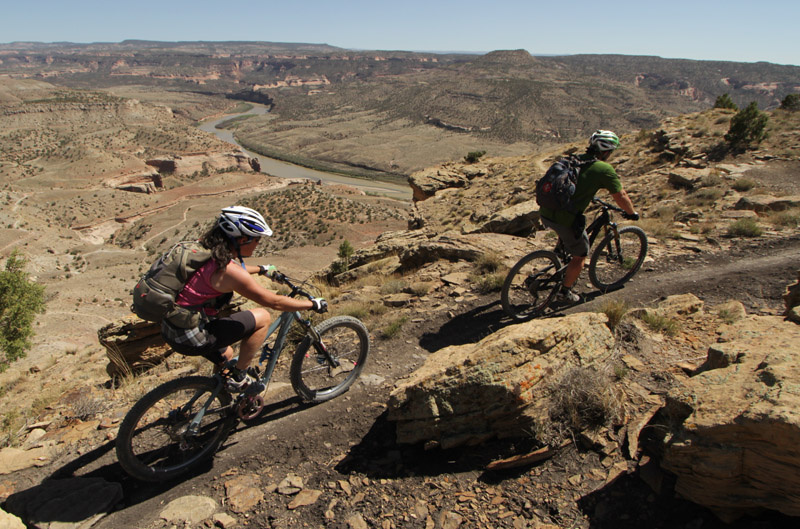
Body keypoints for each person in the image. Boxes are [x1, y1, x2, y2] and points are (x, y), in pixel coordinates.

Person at [160, 206, 327, 394]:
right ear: (241, 239)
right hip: (191, 337)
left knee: (228, 354)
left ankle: (220, 394)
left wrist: (262, 269)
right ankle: (239, 376)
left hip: (171, 328)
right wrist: (312, 304)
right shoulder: (230, 273)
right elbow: (274, 302)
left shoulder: (204, 250)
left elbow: (228, 269)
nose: (258, 244)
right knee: (263, 317)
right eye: (257, 239)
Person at [538, 130, 639, 303]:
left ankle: (560, 252)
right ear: (606, 152)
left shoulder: (574, 159)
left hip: (546, 211)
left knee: (568, 233)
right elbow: (620, 195)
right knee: (581, 255)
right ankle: (565, 292)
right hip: (565, 219)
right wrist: (632, 213)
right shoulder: (604, 169)